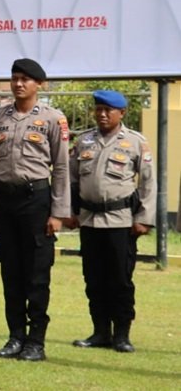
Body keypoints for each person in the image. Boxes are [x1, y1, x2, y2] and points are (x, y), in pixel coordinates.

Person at [0, 58, 70, 362]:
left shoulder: (52, 119)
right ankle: (15, 336)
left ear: (39, 84)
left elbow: (60, 168)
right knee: (11, 272)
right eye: (15, 78)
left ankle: (36, 342)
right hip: (5, 203)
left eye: (26, 79)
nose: (19, 84)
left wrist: (58, 213)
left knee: (36, 274)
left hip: (36, 201)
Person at [67, 90, 156, 353]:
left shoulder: (136, 142)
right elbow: (72, 180)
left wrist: (144, 218)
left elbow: (149, 183)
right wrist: (70, 212)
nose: (102, 114)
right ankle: (100, 332)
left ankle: (122, 335)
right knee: (94, 279)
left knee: (120, 281)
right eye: (98, 109)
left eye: (108, 110)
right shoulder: (84, 142)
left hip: (121, 222)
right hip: (89, 221)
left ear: (122, 113)